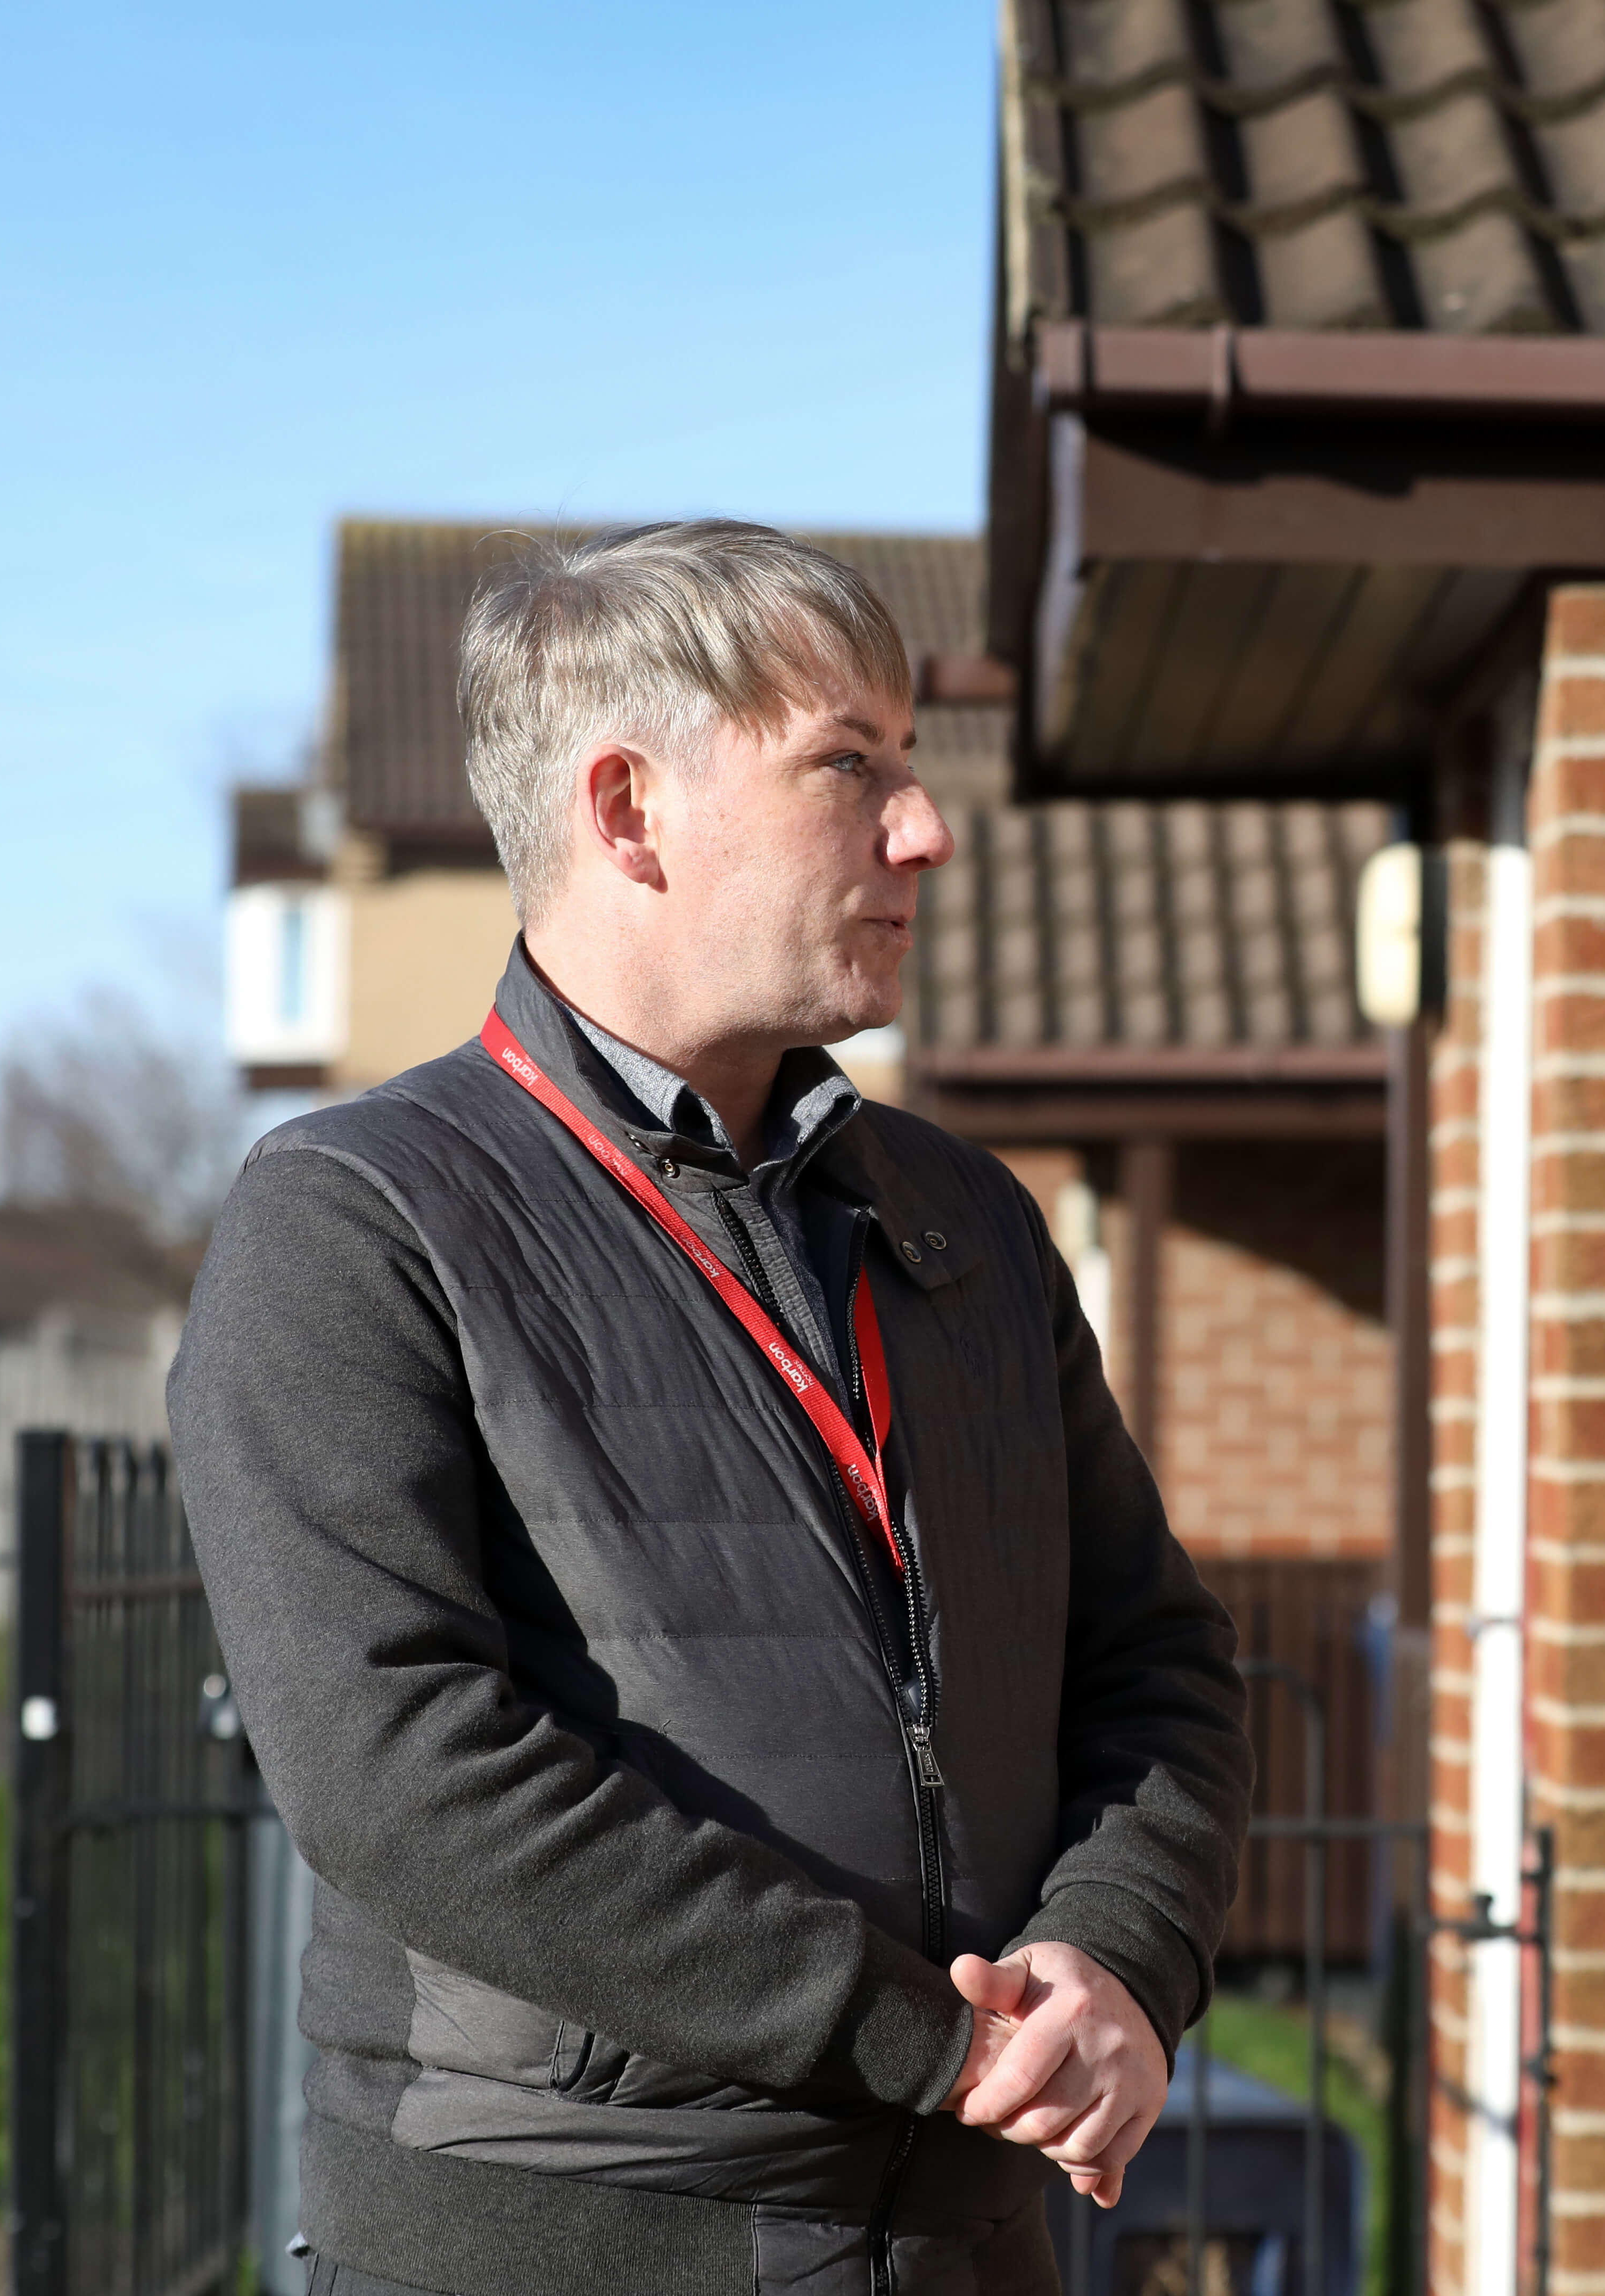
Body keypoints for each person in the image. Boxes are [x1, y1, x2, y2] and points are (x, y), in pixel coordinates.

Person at [170, 521, 1254, 2296]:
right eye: (850, 765)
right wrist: (928, 2040)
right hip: (560, 2251)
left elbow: (1158, 1663)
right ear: (628, 810)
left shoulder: (970, 1225)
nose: (926, 826)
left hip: (972, 2244)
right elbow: (399, 1769)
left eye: (909, 762)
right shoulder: (361, 1222)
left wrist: (1119, 1956)